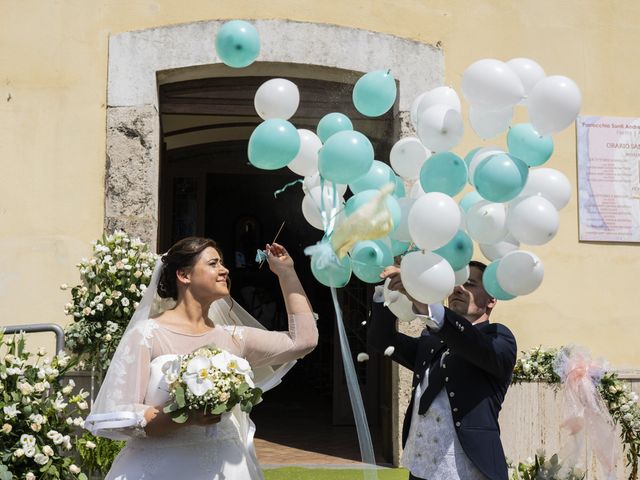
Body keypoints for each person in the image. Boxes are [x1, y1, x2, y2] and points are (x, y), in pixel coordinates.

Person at [85, 237, 318, 480]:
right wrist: (184, 416)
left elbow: (303, 341)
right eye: (213, 263)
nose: (225, 270)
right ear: (184, 276)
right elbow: (120, 412)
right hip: (160, 469)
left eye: (222, 264)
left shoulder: (235, 337)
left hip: (225, 469)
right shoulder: (147, 334)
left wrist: (286, 272)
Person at [367, 261, 516, 480]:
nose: (459, 289)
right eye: (456, 284)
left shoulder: (498, 339)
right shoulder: (431, 340)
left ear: (492, 300)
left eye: (470, 284)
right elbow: (382, 340)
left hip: (469, 471)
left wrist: (423, 301)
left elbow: (469, 343)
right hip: (420, 467)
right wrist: (386, 288)